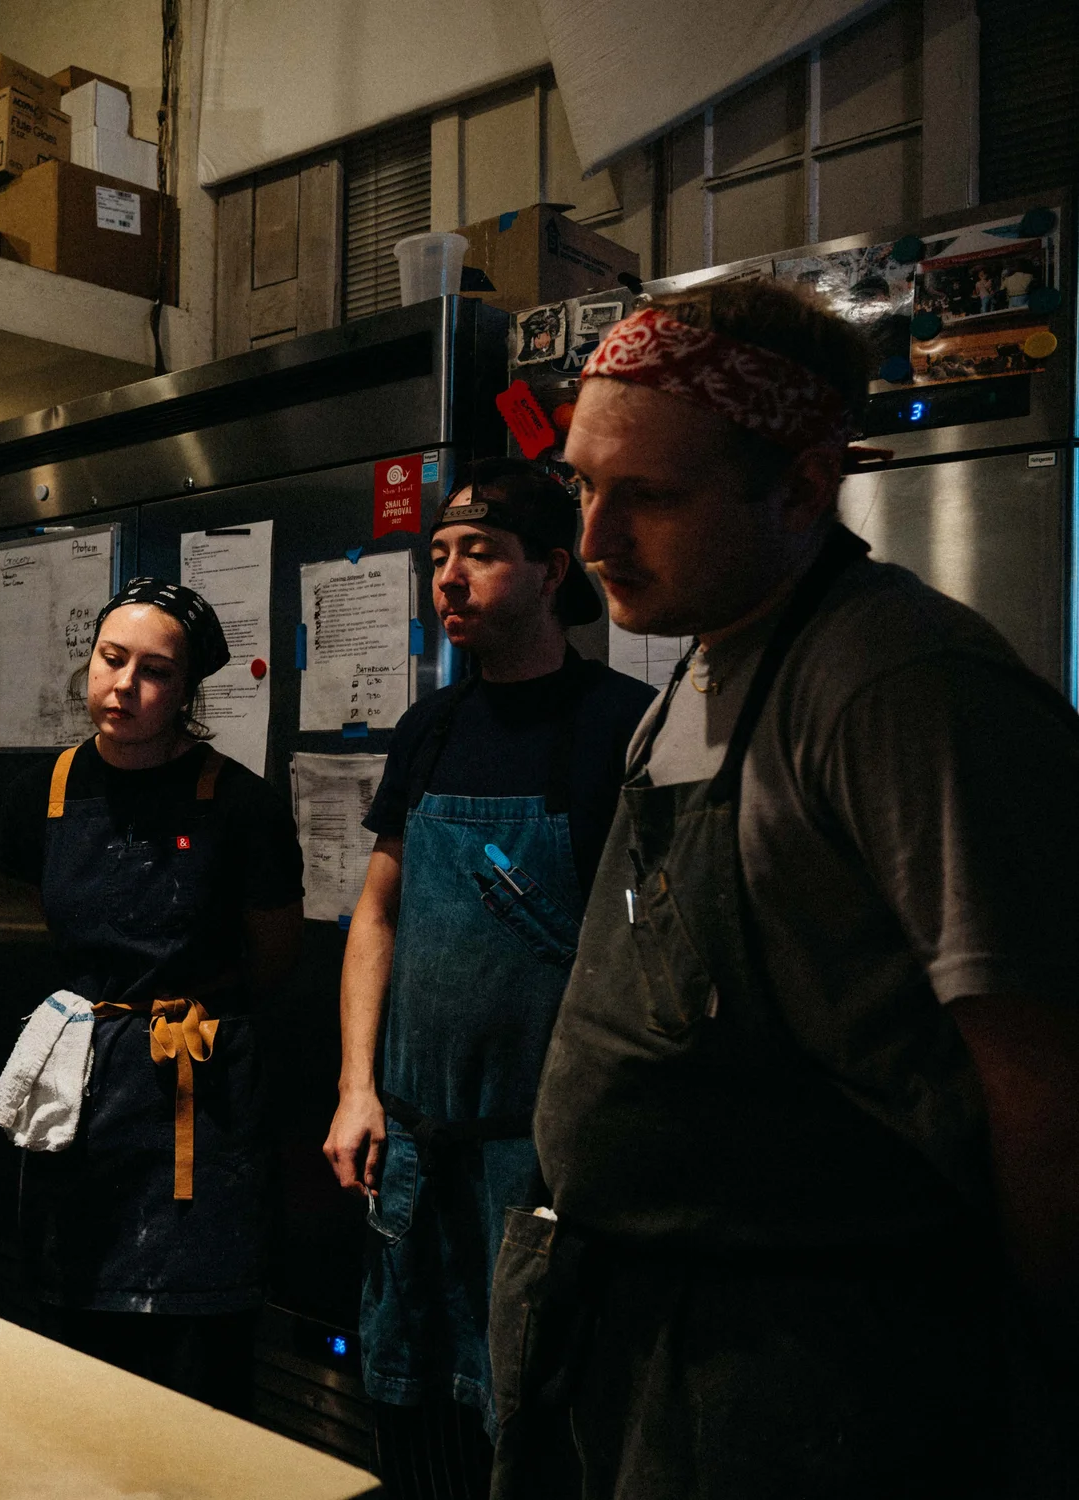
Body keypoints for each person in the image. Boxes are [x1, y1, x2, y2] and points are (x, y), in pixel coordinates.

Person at [493, 282, 1079, 1497]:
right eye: (584, 486)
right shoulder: (691, 681)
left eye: (647, 496)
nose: (593, 540)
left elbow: (1046, 1082)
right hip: (648, 1350)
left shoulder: (899, 688)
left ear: (804, 488)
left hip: (822, 1387)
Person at [321, 461, 653, 1495]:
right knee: (414, 1408)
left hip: (544, 1166)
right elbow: (376, 912)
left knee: (535, 1420)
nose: (449, 579)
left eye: (479, 554)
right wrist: (357, 1086)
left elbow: (649, 952)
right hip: (415, 1151)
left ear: (552, 571)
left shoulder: (623, 726)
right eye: (438, 557)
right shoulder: (432, 730)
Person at [0, 580, 304, 1413]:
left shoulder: (241, 804)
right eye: (111, 658)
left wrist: (183, 1019)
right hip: (80, 1091)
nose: (124, 686)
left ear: (187, 691)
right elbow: (35, 930)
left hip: (197, 1097)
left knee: (198, 1356)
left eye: (155, 672)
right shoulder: (44, 794)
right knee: (75, 1339)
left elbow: (275, 954)